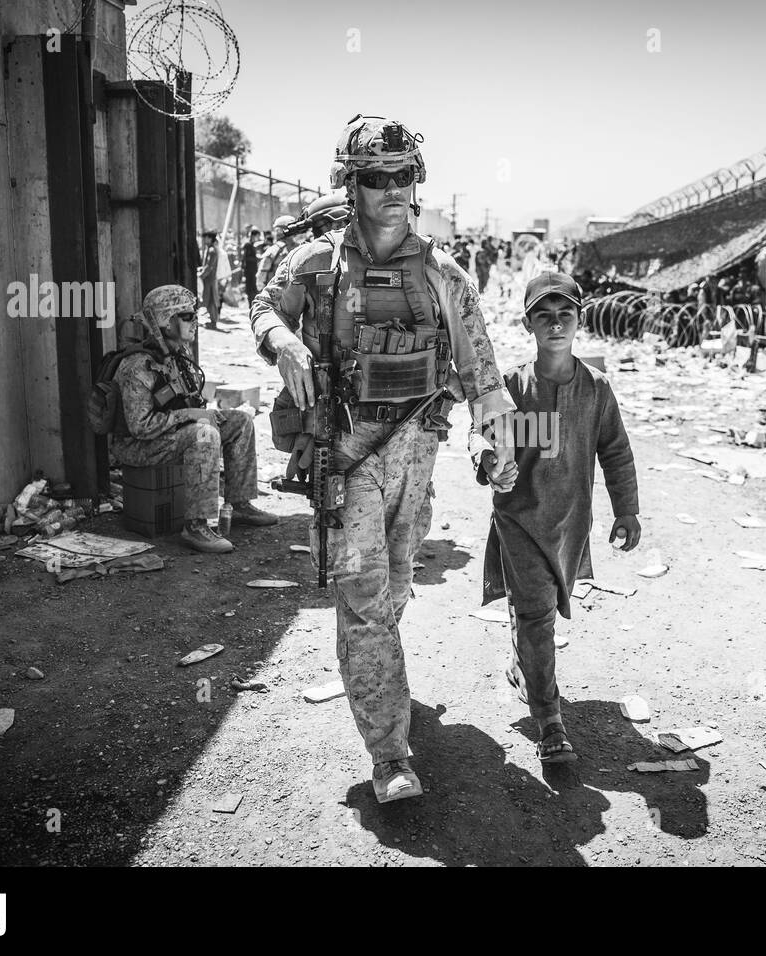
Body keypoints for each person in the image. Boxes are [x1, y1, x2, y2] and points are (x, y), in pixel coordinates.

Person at [249, 114, 516, 803]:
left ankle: (378, 679)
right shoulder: (316, 265)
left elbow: (483, 376)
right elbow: (263, 308)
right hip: (346, 454)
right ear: (353, 185)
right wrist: (285, 343)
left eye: (403, 175)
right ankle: (390, 754)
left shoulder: (442, 274)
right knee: (363, 597)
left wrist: (497, 445)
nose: (392, 189)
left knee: (396, 587)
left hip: (417, 455)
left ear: (416, 182)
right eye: (376, 178)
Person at [474, 272, 640, 764]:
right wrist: (487, 460)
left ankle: (524, 665)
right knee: (536, 613)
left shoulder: (597, 389)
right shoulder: (511, 388)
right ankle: (550, 720)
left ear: (579, 320)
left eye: (565, 313)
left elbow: (616, 452)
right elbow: (482, 435)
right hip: (519, 522)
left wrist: (626, 509)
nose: (555, 323)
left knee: (537, 614)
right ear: (528, 323)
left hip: (570, 526)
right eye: (543, 315)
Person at [112, 285, 279, 553]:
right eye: (187, 316)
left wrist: (203, 414)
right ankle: (196, 526)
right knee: (204, 434)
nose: (195, 323)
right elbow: (140, 427)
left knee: (240, 422)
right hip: (136, 446)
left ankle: (239, 504)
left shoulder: (178, 355)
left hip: (167, 434)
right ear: (167, 321)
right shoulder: (138, 366)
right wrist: (190, 416)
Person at [257, 216, 295, 291]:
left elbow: (261, 275)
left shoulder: (273, 250)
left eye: (276, 230)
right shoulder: (301, 247)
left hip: (277, 295)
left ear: (280, 231)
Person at [199, 231, 223, 329]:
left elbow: (209, 267)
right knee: (209, 301)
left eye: (205, 238)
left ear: (209, 238)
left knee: (211, 301)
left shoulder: (212, 250)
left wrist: (201, 275)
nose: (204, 240)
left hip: (210, 280)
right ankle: (212, 321)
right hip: (209, 279)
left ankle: (213, 322)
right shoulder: (210, 249)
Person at [241, 227, 262, 303]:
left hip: (253, 270)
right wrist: (256, 258)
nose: (258, 238)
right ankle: (251, 304)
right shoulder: (247, 245)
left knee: (253, 288)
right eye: (257, 236)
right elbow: (245, 258)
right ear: (254, 236)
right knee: (250, 288)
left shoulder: (252, 245)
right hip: (249, 271)